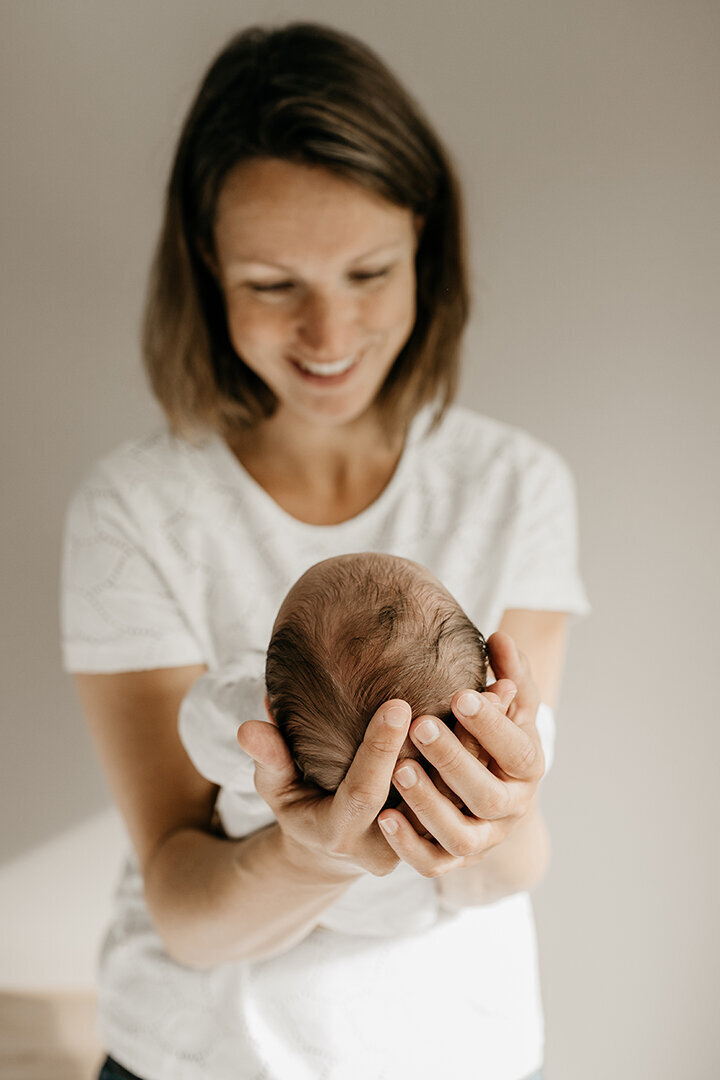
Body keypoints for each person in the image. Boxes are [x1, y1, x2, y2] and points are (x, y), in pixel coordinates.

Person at [61, 21, 589, 1080]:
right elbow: (188, 911)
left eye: (368, 271)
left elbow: (506, 869)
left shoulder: (515, 486)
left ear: (424, 245)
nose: (329, 331)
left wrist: (500, 818)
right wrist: (306, 854)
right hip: (198, 1059)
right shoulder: (134, 509)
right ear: (207, 266)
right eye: (271, 284)